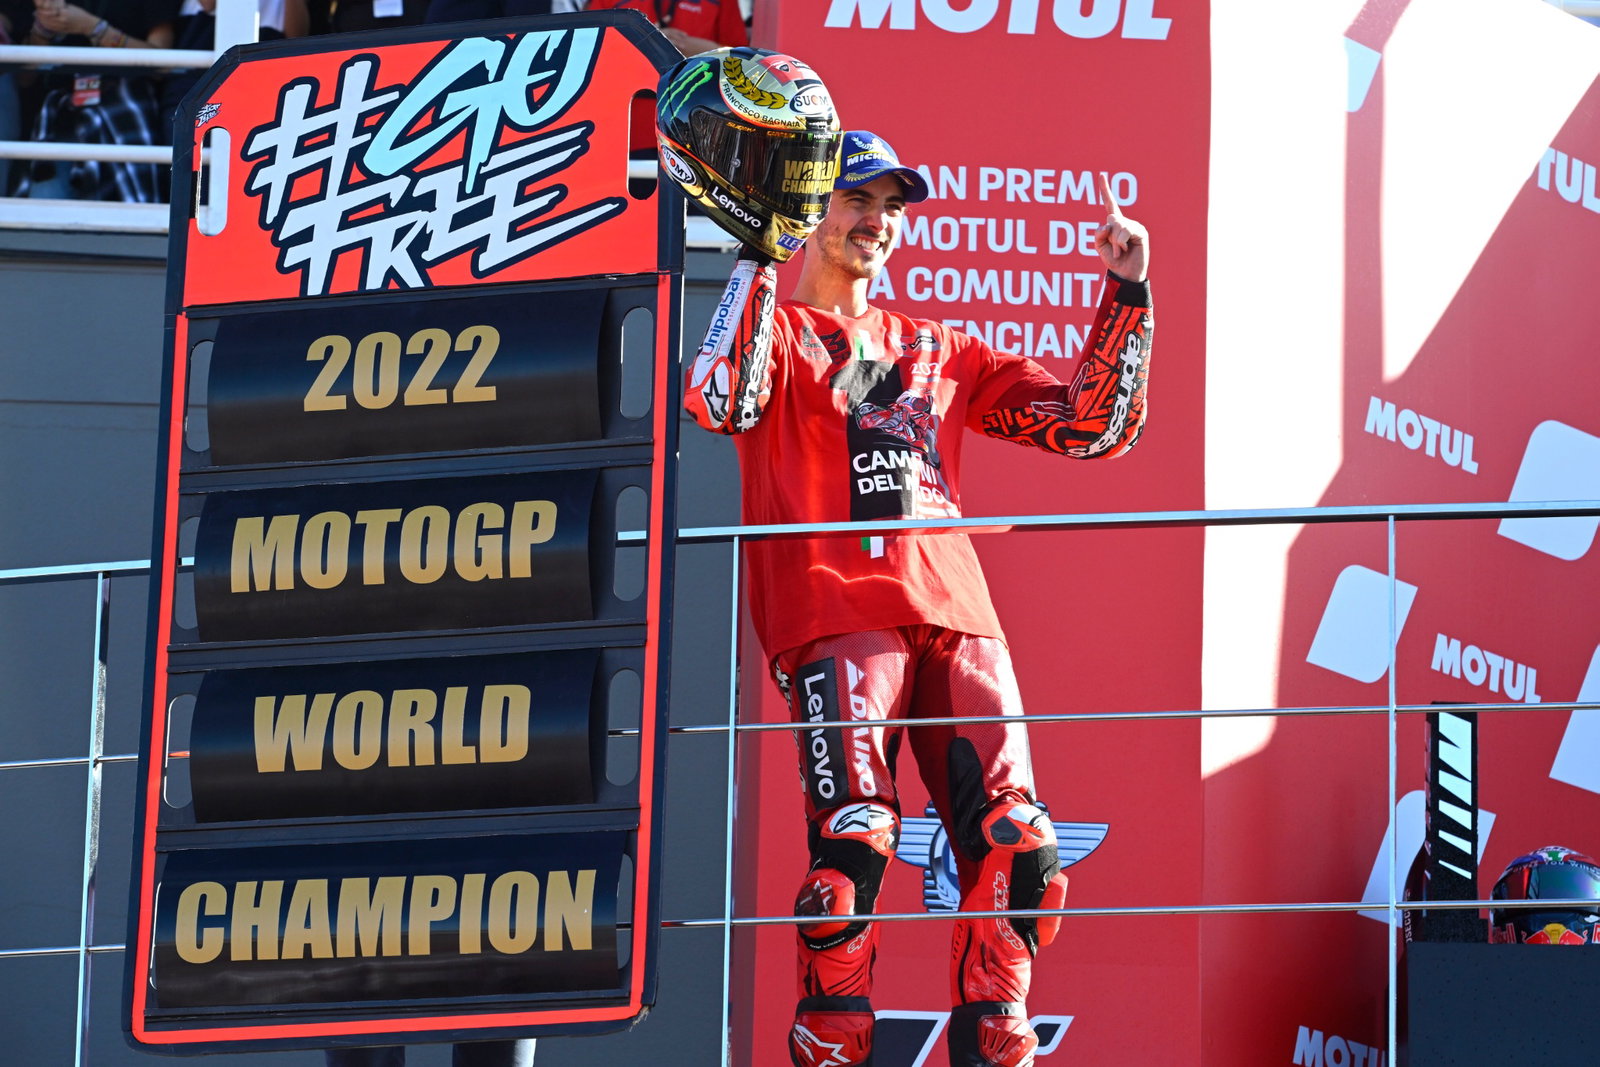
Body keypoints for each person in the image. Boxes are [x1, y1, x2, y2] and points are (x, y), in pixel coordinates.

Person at [677, 112, 1153, 1066]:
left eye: (892, 206)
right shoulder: (774, 328)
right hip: (831, 608)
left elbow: (1094, 425)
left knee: (1021, 843)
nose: (879, 222)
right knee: (854, 843)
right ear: (810, 209)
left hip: (960, 616)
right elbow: (715, 399)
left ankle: (994, 1043)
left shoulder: (941, 347)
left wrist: (1127, 290)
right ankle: (832, 1041)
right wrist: (754, 258)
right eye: (858, 199)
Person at [12, 0, 179, 200]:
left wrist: (93, 28)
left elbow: (163, 64)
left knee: (131, 214)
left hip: (124, 110)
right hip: (61, 113)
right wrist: (43, 28)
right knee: (42, 215)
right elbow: (24, 78)